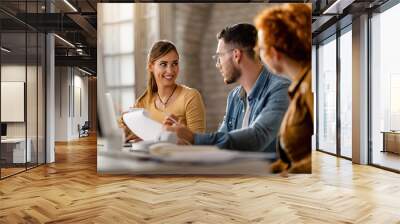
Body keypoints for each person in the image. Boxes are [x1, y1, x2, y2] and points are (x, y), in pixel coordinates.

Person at [165, 23, 290, 154]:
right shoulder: (234, 97)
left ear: (236, 55)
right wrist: (185, 141)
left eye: (219, 57)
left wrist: (193, 137)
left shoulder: (281, 89)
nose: (217, 64)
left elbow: (257, 137)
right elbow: (221, 145)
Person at [255, 3, 313, 173]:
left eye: (261, 49)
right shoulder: (301, 84)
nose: (259, 54)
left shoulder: (309, 85)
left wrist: (286, 175)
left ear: (274, 53)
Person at [119, 40, 206, 142]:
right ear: (151, 66)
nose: (170, 71)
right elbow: (121, 131)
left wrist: (181, 131)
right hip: (150, 157)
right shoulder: (142, 102)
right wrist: (126, 130)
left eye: (175, 63)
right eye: (163, 64)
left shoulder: (191, 97)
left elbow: (200, 144)